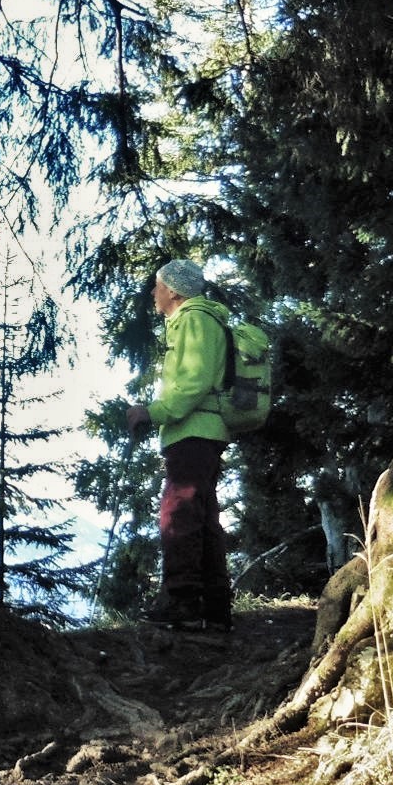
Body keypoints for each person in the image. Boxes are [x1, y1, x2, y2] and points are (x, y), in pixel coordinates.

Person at [125, 259, 234, 631]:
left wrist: (152, 412)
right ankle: (215, 609)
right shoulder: (199, 320)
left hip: (193, 431)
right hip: (203, 430)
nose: (153, 292)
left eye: (157, 285)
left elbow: (193, 382)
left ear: (172, 290)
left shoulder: (193, 319)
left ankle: (183, 602)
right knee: (203, 517)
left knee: (179, 512)